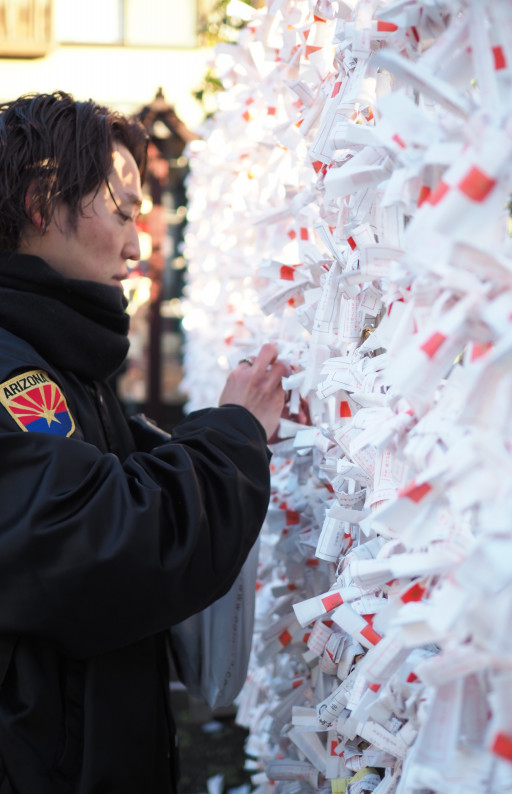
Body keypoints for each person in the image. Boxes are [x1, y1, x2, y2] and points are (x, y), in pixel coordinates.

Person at [0, 91, 286, 793]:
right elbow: (101, 540)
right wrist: (234, 436)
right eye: (125, 213)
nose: (138, 245)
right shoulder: (12, 370)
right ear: (41, 202)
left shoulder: (62, 358)